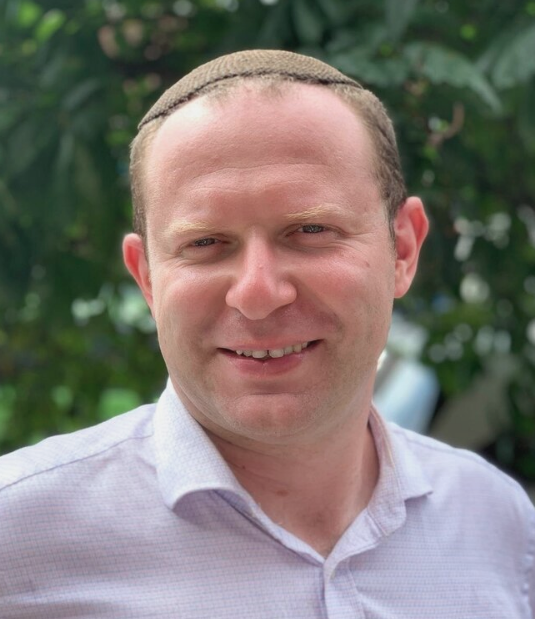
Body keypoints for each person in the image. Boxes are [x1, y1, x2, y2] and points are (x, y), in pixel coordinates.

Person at [1, 50, 533, 618]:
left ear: (402, 249)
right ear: (148, 278)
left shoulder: (497, 524)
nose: (257, 293)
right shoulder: (19, 539)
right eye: (205, 243)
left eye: (311, 230)